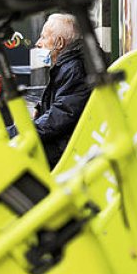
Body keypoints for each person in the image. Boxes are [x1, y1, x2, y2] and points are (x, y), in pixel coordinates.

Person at [33, 13, 92, 167]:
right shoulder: (66, 66)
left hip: (63, 151)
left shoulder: (73, 68)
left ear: (59, 43)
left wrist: (25, 132)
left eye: (44, 37)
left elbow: (61, 115)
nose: (38, 43)